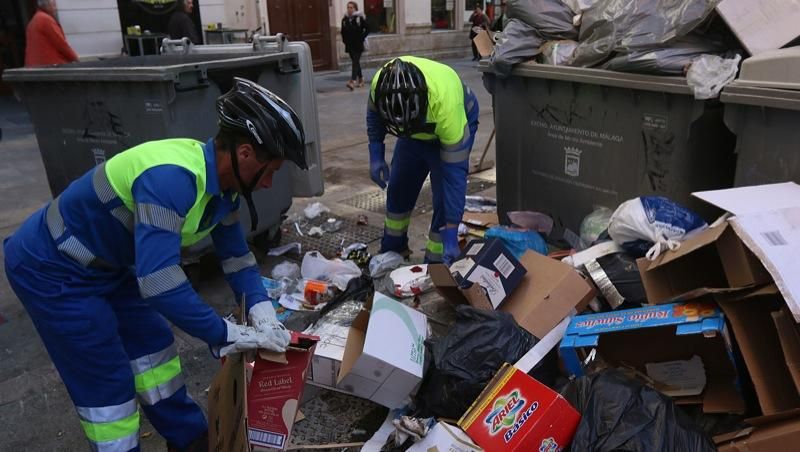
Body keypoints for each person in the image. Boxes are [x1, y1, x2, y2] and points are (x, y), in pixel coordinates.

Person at [3, 78, 307, 452]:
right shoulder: (172, 178)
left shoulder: (224, 190)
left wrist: (262, 311)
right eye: (271, 170)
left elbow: (237, 258)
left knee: (153, 349)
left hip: (110, 266)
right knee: (107, 384)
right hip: (53, 269)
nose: (269, 183)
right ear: (245, 153)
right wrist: (224, 334)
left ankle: (191, 439)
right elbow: (160, 283)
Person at [367, 57, 480, 264]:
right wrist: (376, 154)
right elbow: (374, 115)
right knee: (400, 185)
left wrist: (452, 233)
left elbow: (454, 180)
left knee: (442, 196)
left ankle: (437, 259)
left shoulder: (448, 110)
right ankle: (394, 248)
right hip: (414, 133)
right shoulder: (380, 84)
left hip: (455, 120)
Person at [24, 0, 78, 67]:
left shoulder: (34, 20)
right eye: (53, 5)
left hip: (35, 65)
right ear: (47, 6)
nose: (55, 8)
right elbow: (60, 43)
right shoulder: (45, 19)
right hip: (50, 65)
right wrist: (75, 58)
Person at [341, 1, 369, 90]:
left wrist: (361, 37)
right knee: (355, 62)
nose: (349, 9)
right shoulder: (344, 19)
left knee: (355, 62)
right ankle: (361, 79)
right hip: (349, 45)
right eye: (348, 7)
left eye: (351, 7)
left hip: (358, 44)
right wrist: (344, 41)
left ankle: (352, 81)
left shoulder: (359, 18)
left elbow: (368, 29)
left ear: (355, 9)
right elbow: (343, 32)